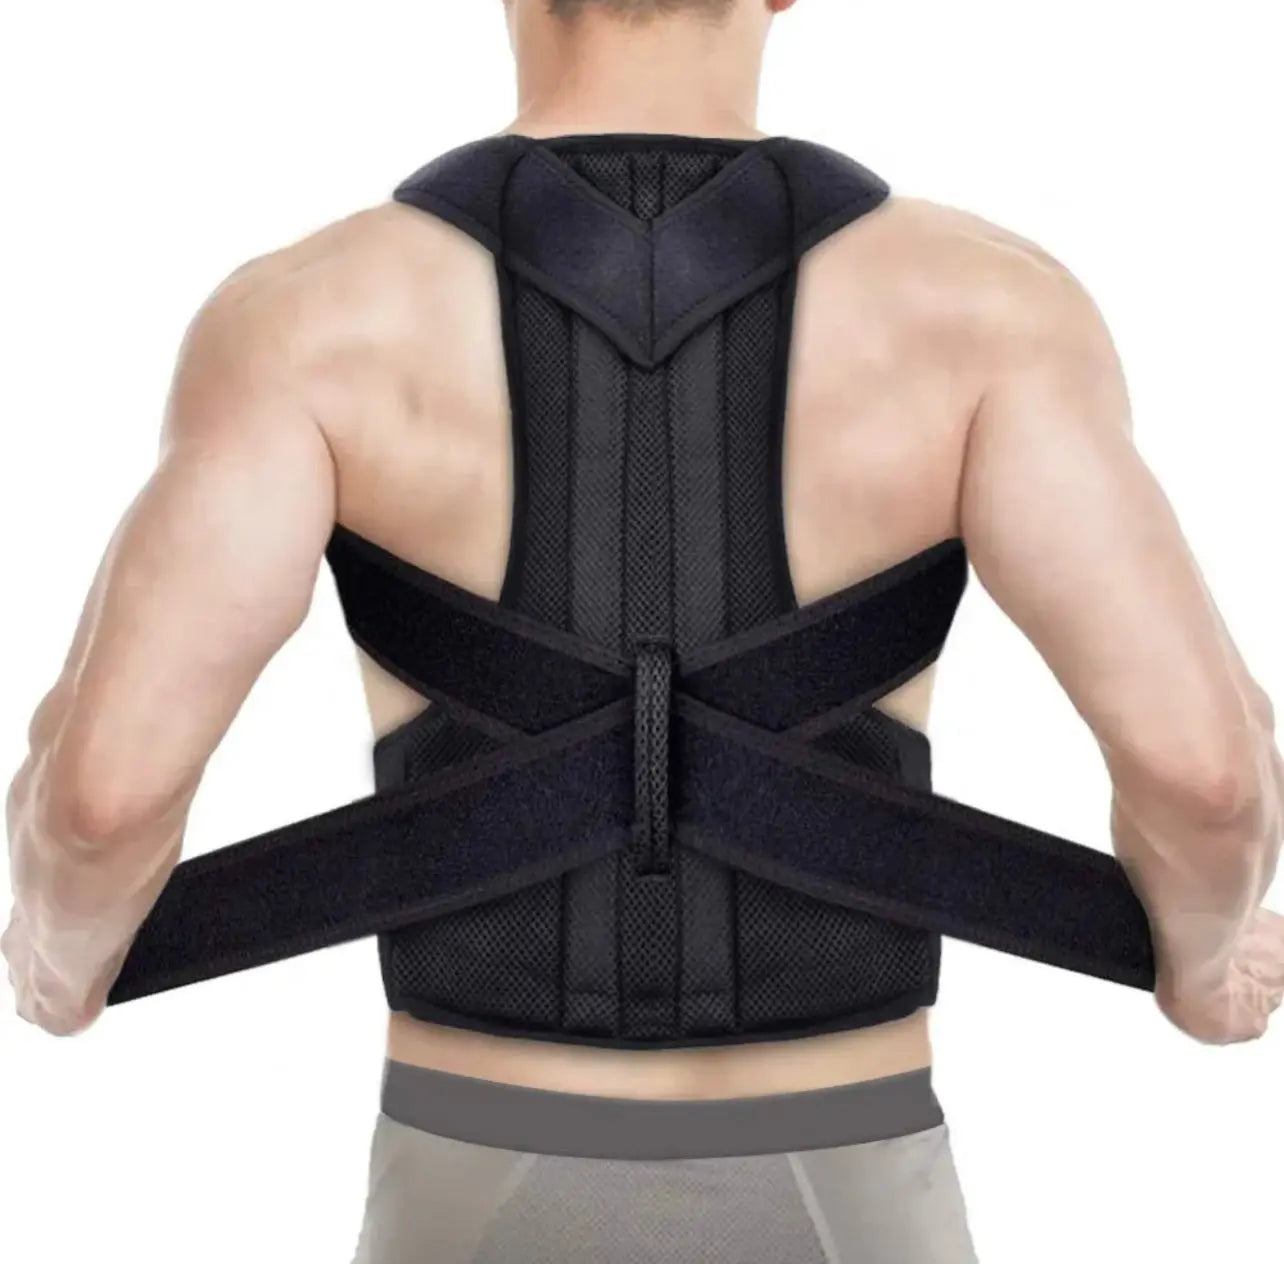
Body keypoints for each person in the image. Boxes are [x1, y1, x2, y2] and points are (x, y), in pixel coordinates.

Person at [5, 1, 1284, 1261]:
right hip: (850, 1168)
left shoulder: (307, 322)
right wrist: (1201, 969)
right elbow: (1208, 780)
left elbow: (100, 804)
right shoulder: (987, 313)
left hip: (470, 1164)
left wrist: (66, 962)